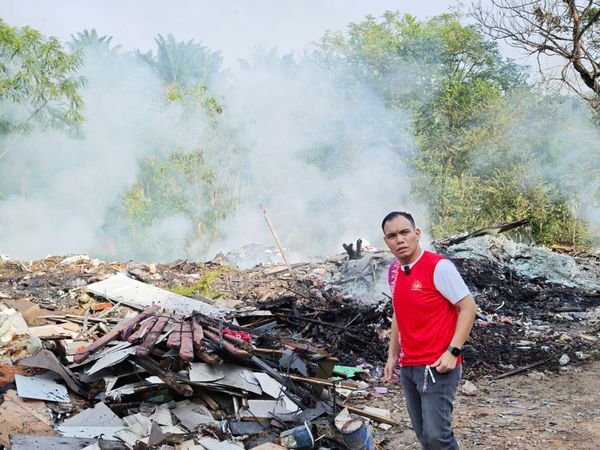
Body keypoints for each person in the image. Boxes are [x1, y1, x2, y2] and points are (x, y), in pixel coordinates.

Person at [382, 211, 477, 450]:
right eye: (392, 236)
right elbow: (399, 312)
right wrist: (392, 356)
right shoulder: (394, 271)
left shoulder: (438, 267)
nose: (399, 240)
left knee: (437, 436)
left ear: (417, 233)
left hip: (438, 365)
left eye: (404, 232)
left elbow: (468, 307)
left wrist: (453, 352)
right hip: (409, 366)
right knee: (424, 435)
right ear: (386, 241)